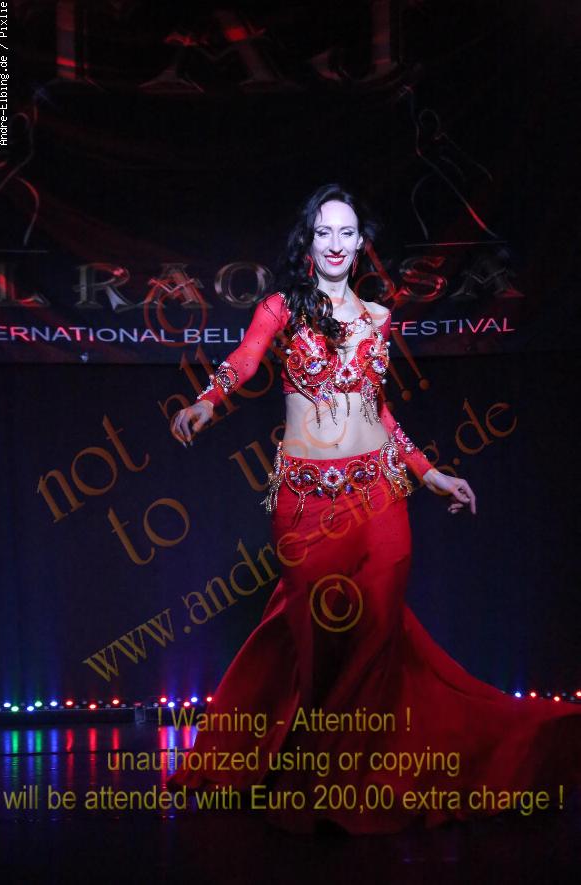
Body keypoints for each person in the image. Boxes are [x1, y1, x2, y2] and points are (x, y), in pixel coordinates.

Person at [166, 183, 581, 835]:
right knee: (318, 642)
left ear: (360, 244)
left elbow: (378, 411)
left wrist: (430, 472)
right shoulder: (281, 308)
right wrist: (207, 401)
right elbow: (244, 361)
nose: (334, 243)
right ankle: (313, 773)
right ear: (309, 242)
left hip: (380, 496)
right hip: (305, 503)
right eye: (323, 231)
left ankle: (352, 787)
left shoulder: (379, 318)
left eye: (346, 232)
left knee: (377, 636)